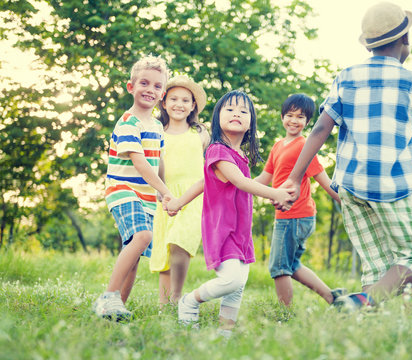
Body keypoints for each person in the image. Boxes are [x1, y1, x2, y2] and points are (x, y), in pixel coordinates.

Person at [278, 2, 412, 309]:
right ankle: (361, 303)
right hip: (392, 185)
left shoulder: (347, 76)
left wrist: (293, 177)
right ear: (405, 39)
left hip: (353, 186)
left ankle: (365, 325)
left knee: (375, 262)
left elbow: (320, 129)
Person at [164, 90, 294, 336]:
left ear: (250, 124)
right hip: (222, 228)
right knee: (231, 279)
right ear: (217, 119)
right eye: (230, 109)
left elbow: (206, 181)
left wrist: (179, 201)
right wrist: (275, 193)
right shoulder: (217, 150)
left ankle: (225, 334)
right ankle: (189, 301)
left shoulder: (240, 156)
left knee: (238, 284)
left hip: (241, 229)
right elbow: (241, 183)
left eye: (244, 111)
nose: (237, 113)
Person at [93, 55, 177, 320]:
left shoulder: (156, 127)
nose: (150, 90)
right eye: (144, 83)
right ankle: (107, 297)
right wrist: (165, 191)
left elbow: (158, 161)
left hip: (147, 197)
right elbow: (140, 162)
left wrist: (164, 194)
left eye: (156, 86)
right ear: (131, 87)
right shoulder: (129, 122)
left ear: (162, 94)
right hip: (123, 189)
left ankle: (117, 307)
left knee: (135, 250)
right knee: (142, 237)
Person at [254, 93, 345, 306]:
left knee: (279, 268)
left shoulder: (305, 147)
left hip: (296, 216)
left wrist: (347, 202)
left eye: (300, 117)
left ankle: (283, 315)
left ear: (308, 122)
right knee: (292, 265)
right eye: (290, 115)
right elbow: (264, 179)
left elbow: (324, 180)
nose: (294, 121)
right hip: (287, 217)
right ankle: (333, 298)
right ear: (282, 117)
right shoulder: (278, 146)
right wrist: (235, 185)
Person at [149, 75, 209, 307]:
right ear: (164, 102)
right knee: (165, 250)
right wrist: (158, 189)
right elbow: (154, 163)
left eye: (186, 100)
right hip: (164, 195)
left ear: (193, 105)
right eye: (173, 98)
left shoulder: (200, 133)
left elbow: (209, 165)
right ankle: (165, 305)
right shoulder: (156, 131)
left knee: (179, 242)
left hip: (194, 196)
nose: (179, 104)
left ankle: (177, 296)